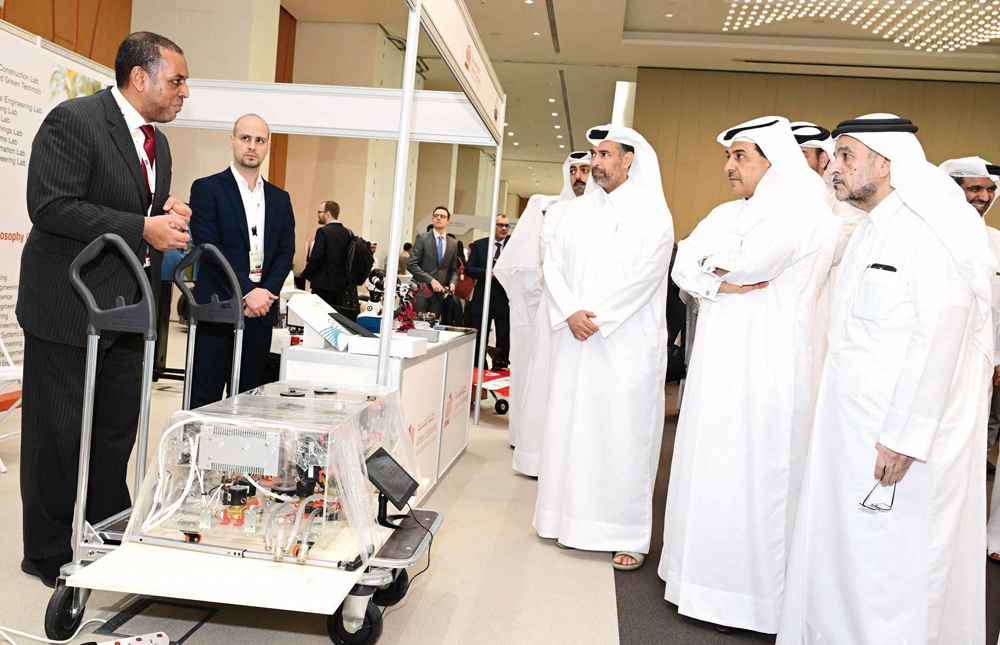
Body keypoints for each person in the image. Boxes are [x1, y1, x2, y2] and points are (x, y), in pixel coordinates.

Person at [777, 115, 997, 644]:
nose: (834, 167)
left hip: (898, 444)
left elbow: (939, 339)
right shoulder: (871, 227)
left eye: (847, 155)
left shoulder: (931, 232)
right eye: (832, 156)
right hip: (850, 431)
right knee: (848, 557)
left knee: (891, 571)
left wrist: (904, 435)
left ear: (887, 162)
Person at [17, 32, 191, 587]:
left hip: (127, 310)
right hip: (68, 308)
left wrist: (163, 211)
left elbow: (123, 203)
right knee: (56, 435)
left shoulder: (158, 146)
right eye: (177, 80)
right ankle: (44, 553)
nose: (185, 93)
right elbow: (51, 205)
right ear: (140, 77)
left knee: (117, 433)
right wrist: (142, 225)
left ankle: (104, 534)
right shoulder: (75, 120)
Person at [660, 117, 839, 633]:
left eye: (740, 156)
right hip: (717, 363)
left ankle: (749, 600)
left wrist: (712, 270)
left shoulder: (808, 216)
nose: (728, 166)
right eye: (730, 156)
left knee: (757, 476)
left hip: (770, 368)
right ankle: (694, 580)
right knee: (708, 466)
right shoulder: (722, 213)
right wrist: (714, 277)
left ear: (773, 161)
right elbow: (683, 265)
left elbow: (751, 265)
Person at [532, 125, 674, 572]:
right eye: (594, 154)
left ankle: (627, 534)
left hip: (624, 345)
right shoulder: (575, 212)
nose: (596, 163)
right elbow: (551, 263)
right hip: (577, 341)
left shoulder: (653, 214)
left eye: (606, 154)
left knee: (621, 437)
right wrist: (571, 311)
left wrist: (596, 317)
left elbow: (647, 276)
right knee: (573, 430)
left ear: (629, 159)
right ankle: (565, 520)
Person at [188, 114, 295, 408]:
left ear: (268, 146)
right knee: (204, 398)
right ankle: (198, 455)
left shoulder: (280, 198)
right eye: (245, 138)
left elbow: (286, 252)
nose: (252, 146)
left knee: (250, 400)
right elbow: (209, 248)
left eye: (259, 140)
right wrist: (248, 291)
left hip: (259, 313)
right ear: (232, 141)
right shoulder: (207, 189)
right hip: (217, 308)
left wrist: (265, 293)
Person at [511, 151, 592, 473]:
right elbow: (549, 259)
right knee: (548, 378)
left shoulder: (606, 211)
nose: (578, 176)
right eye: (573, 170)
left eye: (585, 169)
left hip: (592, 311)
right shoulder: (556, 211)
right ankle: (539, 459)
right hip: (556, 307)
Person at [939, 157, 1000, 556]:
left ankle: (971, 538)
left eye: (989, 189)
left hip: (989, 361)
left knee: (979, 449)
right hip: (947, 361)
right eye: (974, 188)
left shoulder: (994, 239)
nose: (983, 196)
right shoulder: (936, 234)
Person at [791, 121, 867, 389]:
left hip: (821, 311)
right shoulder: (771, 199)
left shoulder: (843, 199)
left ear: (823, 158)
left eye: (800, 156)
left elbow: (832, 246)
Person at [494, 194, 559, 451]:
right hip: (526, 327)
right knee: (524, 378)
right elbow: (517, 287)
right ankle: (521, 435)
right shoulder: (523, 251)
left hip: (550, 327)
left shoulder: (554, 244)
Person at [466, 214, 512, 368]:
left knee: (503, 338)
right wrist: (486, 273)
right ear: (493, 226)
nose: (504, 228)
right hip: (482, 298)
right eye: (500, 225)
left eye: (506, 226)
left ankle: (500, 366)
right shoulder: (480, 245)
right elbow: (469, 269)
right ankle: (479, 367)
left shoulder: (513, 246)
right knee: (480, 337)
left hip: (504, 299)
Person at [408, 206, 459, 316]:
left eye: (442, 216)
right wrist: (431, 280)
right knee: (417, 326)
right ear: (432, 219)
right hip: (421, 291)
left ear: (448, 221)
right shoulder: (423, 238)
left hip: (440, 295)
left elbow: (454, 269)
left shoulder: (453, 243)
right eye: (436, 216)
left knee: (433, 327)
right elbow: (412, 264)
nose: (438, 218)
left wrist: (452, 282)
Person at [301, 200, 353, 311]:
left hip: (322, 284)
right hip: (341, 286)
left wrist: (306, 273)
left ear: (327, 214)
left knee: (320, 317)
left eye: (320, 212)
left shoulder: (323, 232)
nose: (318, 215)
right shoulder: (348, 233)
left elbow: (316, 257)